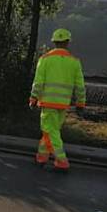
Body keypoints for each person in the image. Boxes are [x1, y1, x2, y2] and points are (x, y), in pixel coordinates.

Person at [28, 28, 86, 172]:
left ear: (54, 42)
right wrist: (80, 102)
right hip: (63, 104)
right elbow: (80, 85)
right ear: (67, 42)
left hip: (48, 102)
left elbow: (38, 82)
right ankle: (41, 158)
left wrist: (33, 98)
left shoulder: (45, 59)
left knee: (50, 131)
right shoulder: (74, 62)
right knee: (51, 131)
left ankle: (62, 162)